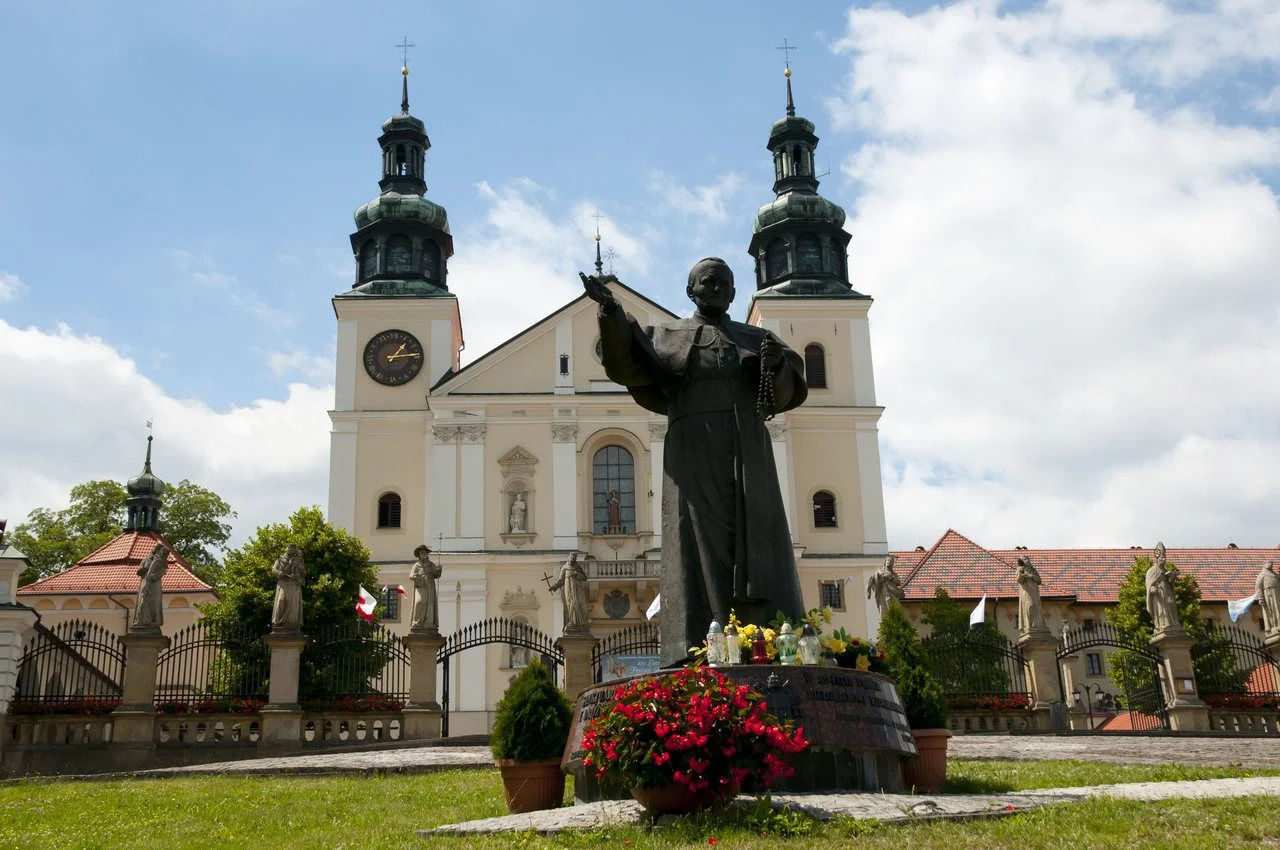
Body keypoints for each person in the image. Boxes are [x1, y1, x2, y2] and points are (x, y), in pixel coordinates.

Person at [583, 257, 807, 666]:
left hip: (748, 450)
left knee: (755, 531)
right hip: (694, 450)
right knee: (698, 540)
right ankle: (699, 645)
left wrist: (774, 364)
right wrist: (610, 310)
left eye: (726, 283)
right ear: (691, 291)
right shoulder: (669, 335)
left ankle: (766, 641)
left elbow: (785, 388)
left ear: (735, 292)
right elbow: (627, 358)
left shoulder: (756, 338)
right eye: (709, 281)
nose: (719, 288)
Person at [547, 551, 590, 634]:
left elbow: (584, 577)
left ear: (575, 559)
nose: (572, 558)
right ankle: (572, 621)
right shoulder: (564, 567)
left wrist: (577, 574)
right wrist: (553, 587)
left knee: (578, 603)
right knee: (569, 604)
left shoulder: (578, 567)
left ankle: (580, 623)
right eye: (571, 556)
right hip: (568, 588)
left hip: (577, 588)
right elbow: (560, 580)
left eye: (574, 557)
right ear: (569, 557)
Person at [1145, 542, 1181, 634]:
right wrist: (1152, 589)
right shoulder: (1152, 570)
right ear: (1157, 558)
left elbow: (1169, 583)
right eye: (1161, 557)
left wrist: (1172, 577)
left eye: (1164, 557)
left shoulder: (1165, 570)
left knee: (1171, 604)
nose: (1164, 559)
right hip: (1159, 595)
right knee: (1162, 609)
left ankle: (1173, 624)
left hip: (1167, 591)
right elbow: (1149, 584)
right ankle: (1163, 625)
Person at [131, 543, 168, 632]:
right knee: (143, 601)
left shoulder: (162, 560)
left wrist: (153, 576)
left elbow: (162, 572)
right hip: (144, 581)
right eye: (154, 548)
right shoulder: (146, 558)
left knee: (154, 601)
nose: (154, 550)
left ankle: (154, 621)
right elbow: (139, 571)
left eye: (156, 549)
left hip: (155, 583)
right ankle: (141, 620)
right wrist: (142, 570)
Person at [271, 543, 306, 632]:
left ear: (295, 550)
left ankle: (291, 623)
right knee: (281, 601)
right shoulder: (279, 559)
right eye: (289, 548)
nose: (290, 549)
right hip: (283, 583)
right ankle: (278, 622)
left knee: (292, 603)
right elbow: (274, 570)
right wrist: (279, 573)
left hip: (293, 584)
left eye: (293, 548)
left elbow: (304, 572)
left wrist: (298, 574)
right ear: (286, 548)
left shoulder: (297, 560)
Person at [409, 544, 442, 631]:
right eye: (421, 552)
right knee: (419, 602)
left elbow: (436, 575)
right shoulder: (416, 565)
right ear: (419, 554)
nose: (423, 554)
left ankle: (429, 623)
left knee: (430, 604)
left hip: (430, 586)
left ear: (427, 554)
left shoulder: (431, 565)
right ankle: (417, 622)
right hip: (420, 587)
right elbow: (411, 576)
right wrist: (415, 576)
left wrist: (439, 570)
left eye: (424, 552)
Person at [1016, 555, 1048, 635]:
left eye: (1027, 559)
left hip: (1035, 592)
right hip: (1026, 592)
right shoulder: (1020, 569)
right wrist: (1021, 574)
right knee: (1030, 605)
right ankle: (1029, 625)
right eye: (1025, 559)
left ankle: (1037, 625)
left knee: (1037, 607)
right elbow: (1019, 580)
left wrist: (1031, 576)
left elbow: (1039, 580)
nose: (1027, 560)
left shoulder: (1033, 570)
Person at [1256, 561, 1280, 634]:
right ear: (1264, 565)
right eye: (1268, 563)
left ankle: (1278, 624)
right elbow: (1258, 587)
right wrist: (1260, 598)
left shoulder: (1276, 575)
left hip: (1277, 594)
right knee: (1271, 610)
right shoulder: (1261, 575)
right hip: (1268, 595)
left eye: (1271, 563)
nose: (1270, 565)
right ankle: (1273, 625)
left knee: (1278, 608)